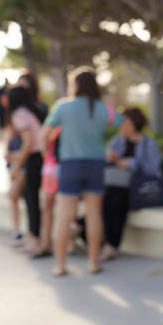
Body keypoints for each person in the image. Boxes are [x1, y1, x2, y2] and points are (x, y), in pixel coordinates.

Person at [42, 67, 123, 276]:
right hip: (96, 164)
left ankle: (60, 265)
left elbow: (45, 134)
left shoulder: (63, 106)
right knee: (93, 214)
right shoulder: (103, 109)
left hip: (70, 164)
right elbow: (123, 125)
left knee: (64, 216)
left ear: (76, 85)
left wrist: (46, 156)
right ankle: (93, 263)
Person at [102, 107, 161, 261]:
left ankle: (84, 229)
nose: (120, 125)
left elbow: (154, 170)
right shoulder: (117, 141)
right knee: (110, 198)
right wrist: (110, 158)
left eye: (124, 122)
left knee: (115, 199)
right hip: (115, 188)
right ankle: (110, 245)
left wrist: (130, 163)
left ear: (135, 123)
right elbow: (104, 161)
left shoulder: (149, 144)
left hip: (137, 189)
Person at [6, 86, 47, 257]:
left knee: (31, 200)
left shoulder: (19, 114)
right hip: (41, 157)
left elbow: (28, 142)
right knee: (32, 199)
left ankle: (35, 239)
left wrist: (16, 167)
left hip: (34, 158)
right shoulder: (32, 111)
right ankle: (33, 237)